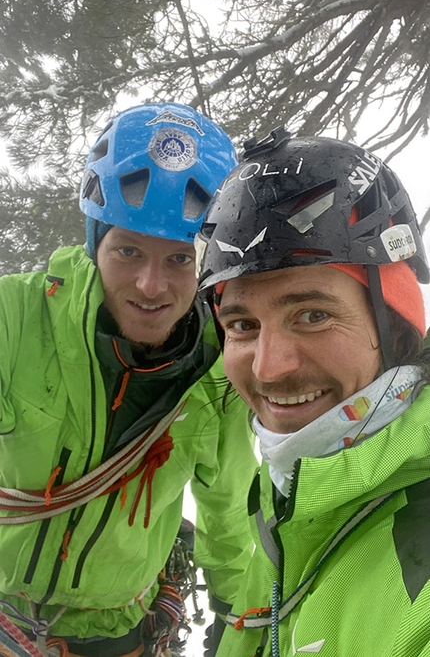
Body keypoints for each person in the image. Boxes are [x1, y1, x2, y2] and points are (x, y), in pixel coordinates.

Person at [0, 103, 257, 657]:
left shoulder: (219, 373)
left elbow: (229, 508)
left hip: (118, 632)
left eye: (179, 260)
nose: (150, 285)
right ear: (96, 243)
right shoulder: (14, 317)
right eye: (128, 250)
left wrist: (238, 618)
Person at [197, 125, 430, 657]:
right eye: (242, 325)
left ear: (395, 325)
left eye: (313, 315)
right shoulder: (299, 496)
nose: (270, 368)